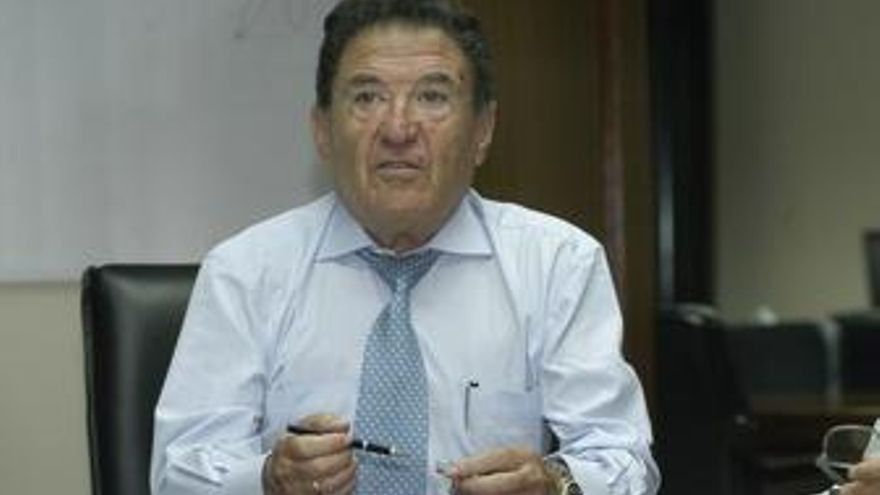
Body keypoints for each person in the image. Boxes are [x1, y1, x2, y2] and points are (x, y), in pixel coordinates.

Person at [150, 0, 659, 494]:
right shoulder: (245, 271)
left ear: (483, 131)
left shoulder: (558, 264)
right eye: (367, 97)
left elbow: (624, 462)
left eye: (432, 97)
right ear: (322, 130)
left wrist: (553, 485)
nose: (398, 129)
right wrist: (266, 479)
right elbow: (176, 474)